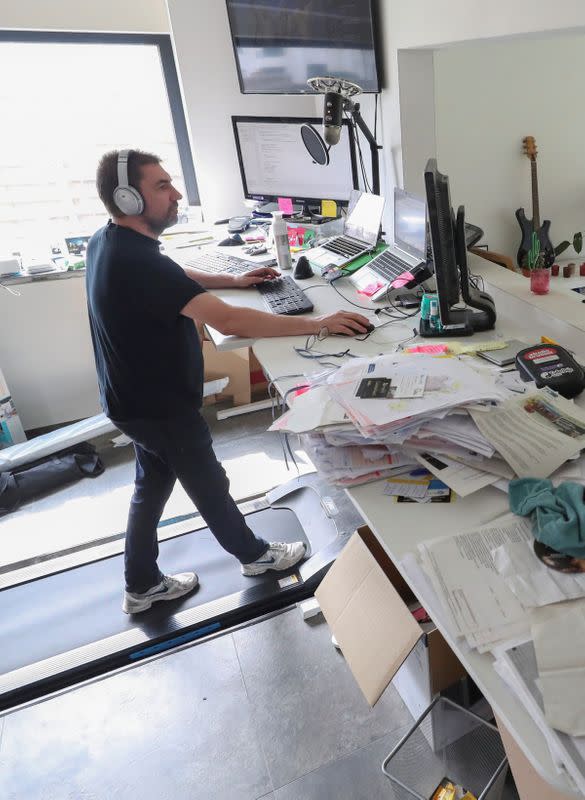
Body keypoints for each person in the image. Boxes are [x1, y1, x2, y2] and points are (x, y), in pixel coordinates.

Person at [87, 149, 371, 614]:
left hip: (129, 398)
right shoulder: (140, 263)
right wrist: (319, 323)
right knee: (209, 483)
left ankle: (140, 584)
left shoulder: (108, 241)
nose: (176, 194)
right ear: (128, 198)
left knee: (152, 483)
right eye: (161, 186)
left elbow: (174, 276)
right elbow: (232, 323)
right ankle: (256, 557)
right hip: (160, 408)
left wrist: (232, 279)